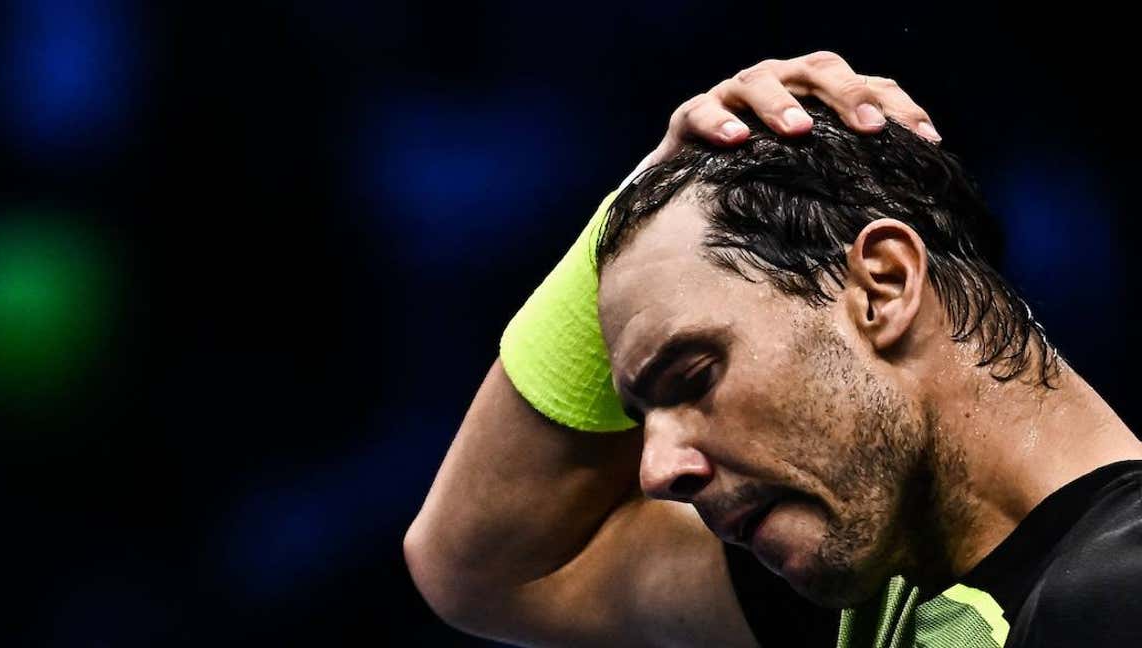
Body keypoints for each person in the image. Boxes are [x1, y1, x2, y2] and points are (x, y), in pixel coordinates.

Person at [406, 52, 1142, 647]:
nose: (658, 470)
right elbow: (486, 569)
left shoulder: (1118, 594)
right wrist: (651, 190)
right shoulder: (869, 588)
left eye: (694, 377)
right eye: (642, 411)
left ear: (882, 287)